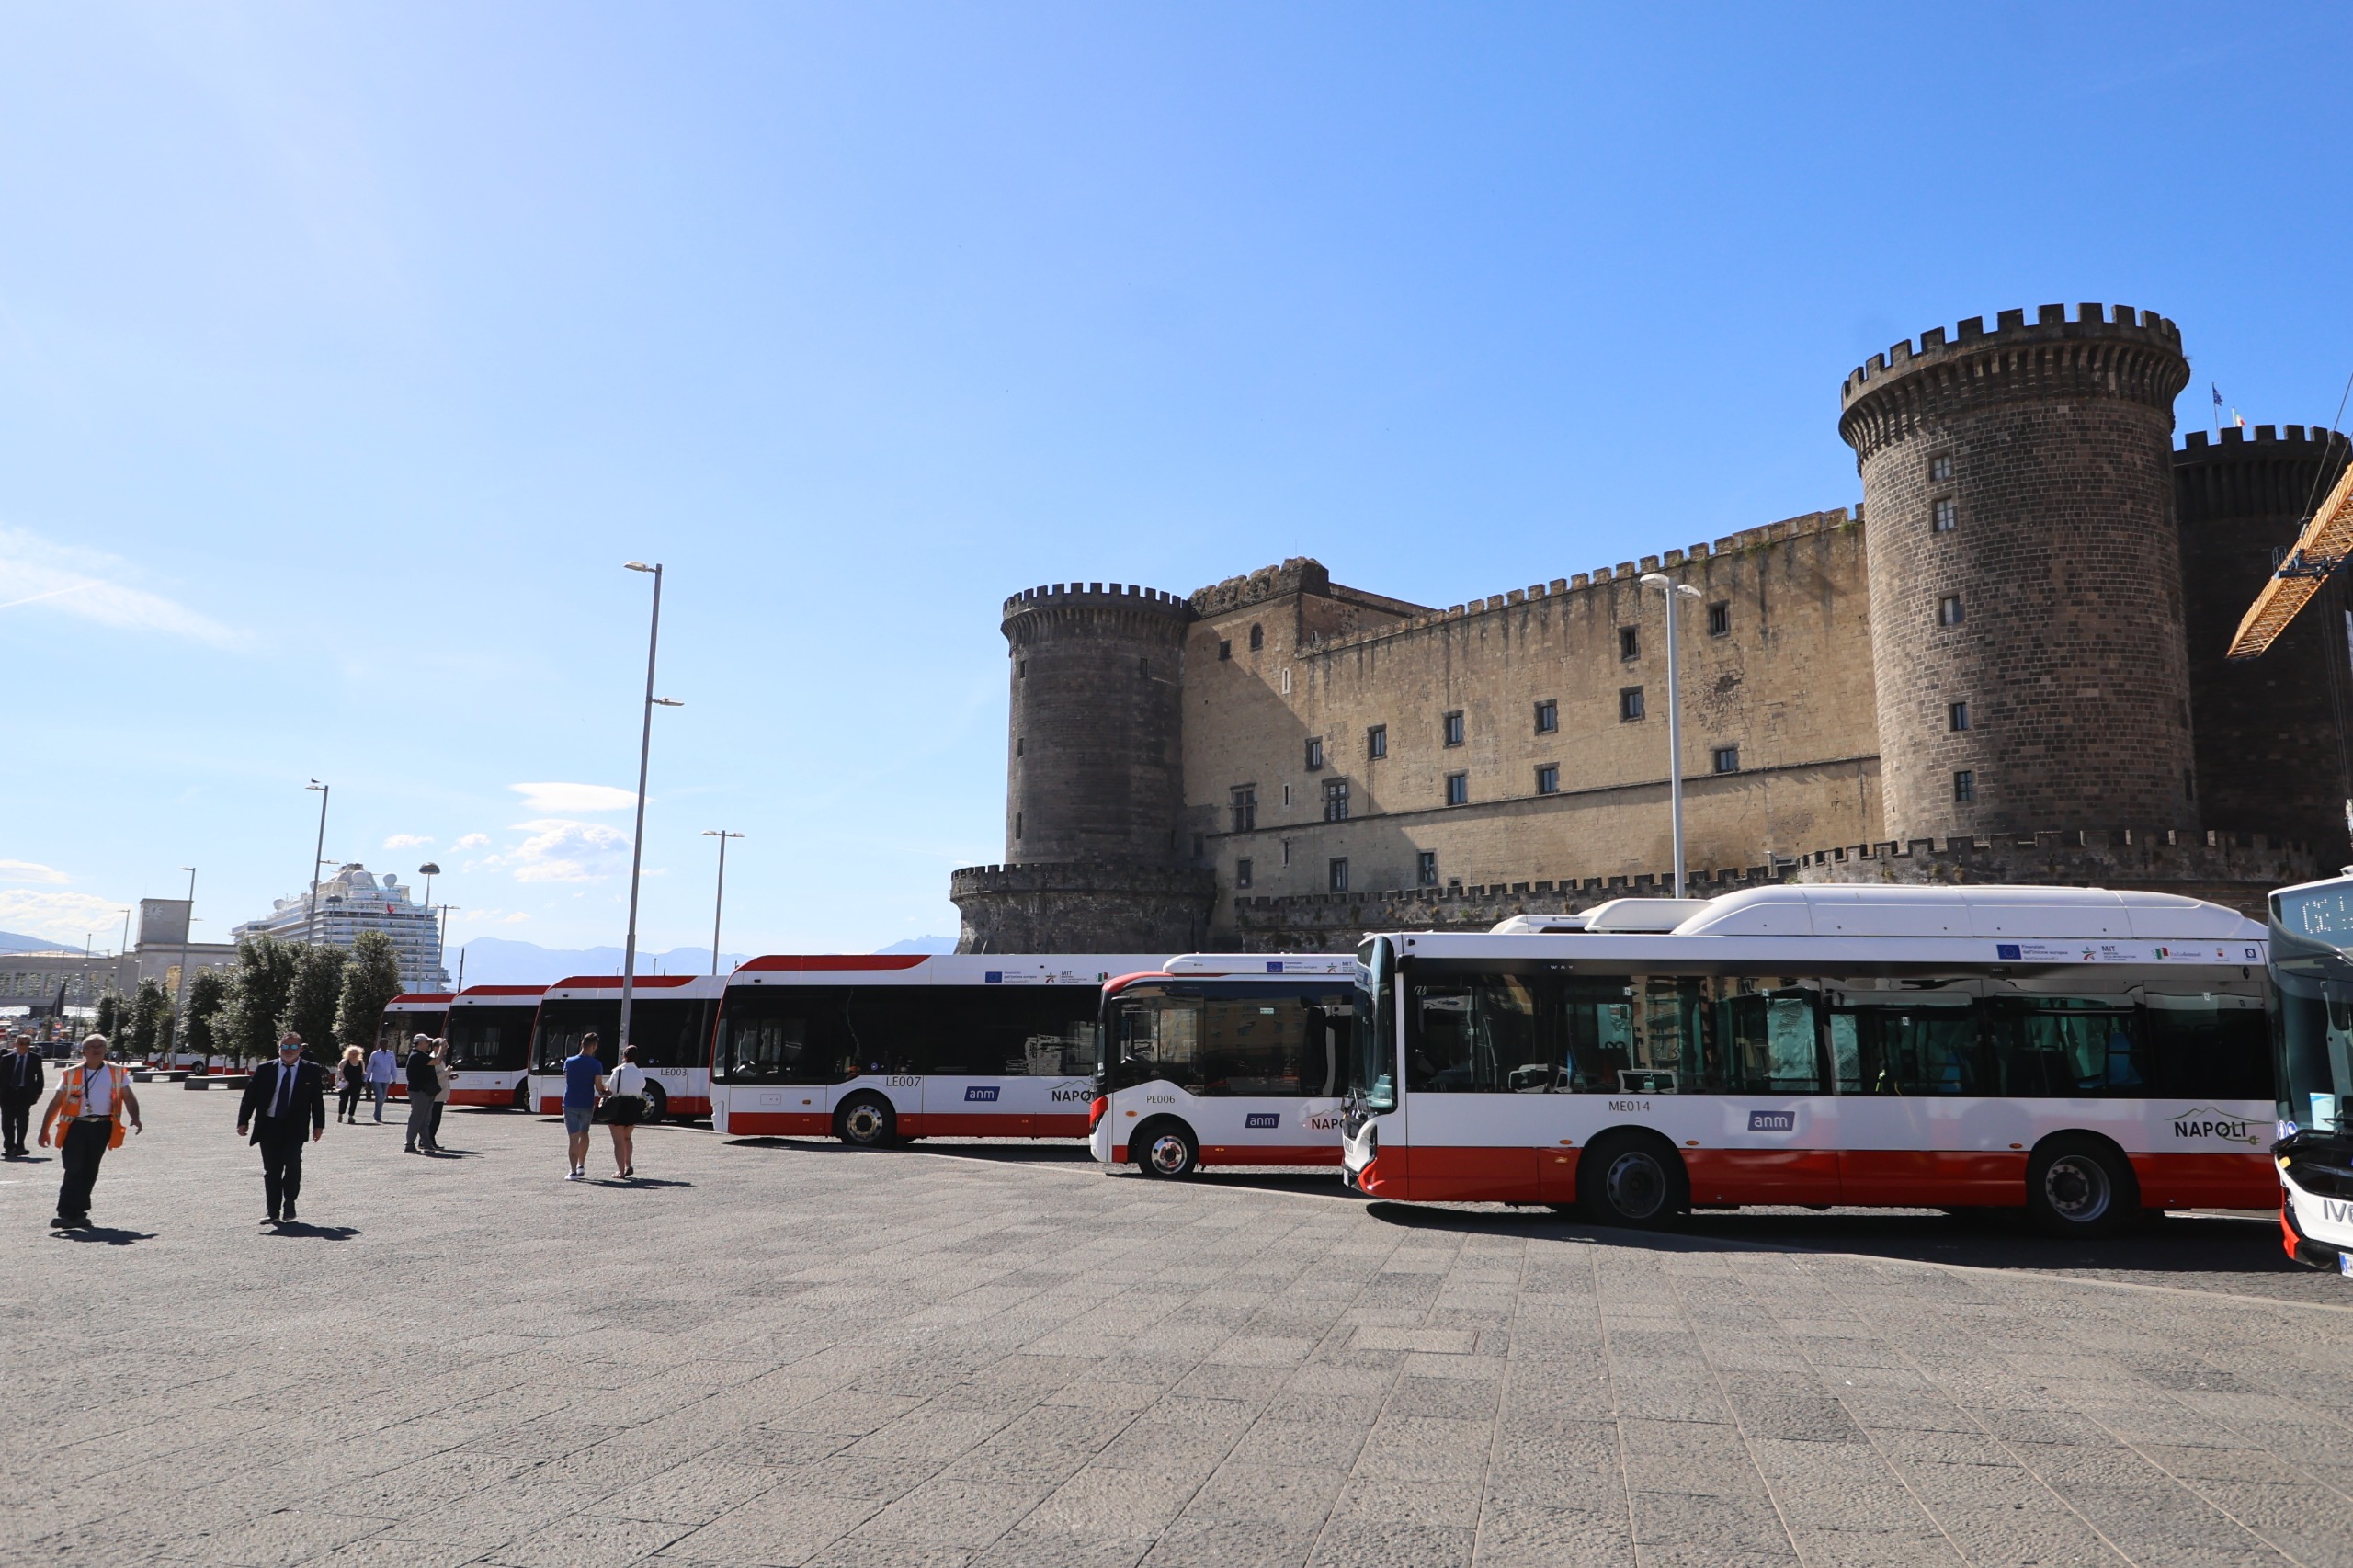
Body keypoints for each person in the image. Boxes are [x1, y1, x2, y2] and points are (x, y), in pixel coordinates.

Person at [37, 1033, 142, 1229]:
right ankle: (66, 1212)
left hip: (102, 1127)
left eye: (100, 1046)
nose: (96, 1049)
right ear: (83, 1051)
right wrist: (44, 1129)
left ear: (105, 1050)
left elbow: (128, 1096)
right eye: (92, 1046)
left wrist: (135, 1117)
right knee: (74, 1168)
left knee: (90, 1169)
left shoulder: (116, 1072)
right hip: (76, 1126)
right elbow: (56, 1102)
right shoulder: (71, 1073)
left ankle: (80, 1211)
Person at [238, 1033, 327, 1224]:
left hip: (295, 1126)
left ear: (300, 1050)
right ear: (279, 1048)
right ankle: (272, 1211)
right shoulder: (264, 1069)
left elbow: (317, 1100)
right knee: (272, 1170)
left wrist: (319, 1125)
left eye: (294, 1047)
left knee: (293, 1166)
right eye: (285, 1047)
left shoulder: (310, 1070)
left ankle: (290, 1202)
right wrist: (243, 1121)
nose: (289, 1051)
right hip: (269, 1125)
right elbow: (250, 1097)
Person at [561, 1032, 606, 1182]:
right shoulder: (596, 1064)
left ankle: (573, 1172)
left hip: (570, 1102)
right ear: (593, 1046)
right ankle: (581, 1165)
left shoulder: (569, 1062)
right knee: (584, 1133)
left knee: (573, 1138)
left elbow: (568, 1080)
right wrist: (607, 1091)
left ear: (581, 1044)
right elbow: (599, 1087)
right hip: (587, 1103)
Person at [604, 1042, 649, 1179]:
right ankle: (628, 1164)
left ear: (624, 1056)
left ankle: (620, 1172)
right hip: (633, 1106)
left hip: (619, 1105)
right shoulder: (640, 1072)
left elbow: (611, 1088)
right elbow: (642, 1086)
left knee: (617, 1141)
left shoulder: (618, 1071)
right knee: (627, 1137)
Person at [2, 1030, 45, 1158]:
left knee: (22, 1120)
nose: (24, 1046)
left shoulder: (35, 1058)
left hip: (24, 1093)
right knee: (7, 1121)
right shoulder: (6, 1059)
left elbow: (40, 1077)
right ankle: (9, 1147)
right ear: (15, 1044)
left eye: (27, 1043)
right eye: (21, 1043)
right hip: (8, 1093)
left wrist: (38, 1093)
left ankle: (20, 1146)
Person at [404, 1033, 438, 1153]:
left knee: (424, 1119)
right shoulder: (417, 1056)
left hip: (425, 1091)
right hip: (419, 1091)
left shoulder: (421, 1055)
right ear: (420, 1043)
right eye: (427, 1042)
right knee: (417, 1118)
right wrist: (440, 1049)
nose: (428, 1044)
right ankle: (409, 1144)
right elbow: (437, 1061)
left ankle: (427, 1144)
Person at [428, 1038, 454, 1147]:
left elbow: (441, 1075)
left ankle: (430, 1140)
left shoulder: (439, 1059)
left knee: (436, 1119)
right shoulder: (433, 1058)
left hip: (440, 1094)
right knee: (433, 1120)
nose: (446, 1049)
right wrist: (446, 1071)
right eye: (444, 1046)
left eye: (446, 1046)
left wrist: (449, 1075)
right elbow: (434, 1076)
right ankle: (427, 1140)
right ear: (436, 1047)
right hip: (436, 1094)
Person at [365, 1039, 398, 1122]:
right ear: (380, 1045)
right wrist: (365, 1078)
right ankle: (377, 1116)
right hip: (376, 1079)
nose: (385, 1046)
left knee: (383, 1098)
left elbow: (393, 1067)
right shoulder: (375, 1055)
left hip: (386, 1079)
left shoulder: (390, 1054)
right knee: (379, 1096)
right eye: (383, 1044)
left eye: (386, 1044)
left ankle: (376, 1112)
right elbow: (370, 1067)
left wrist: (394, 1079)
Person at [335, 1046, 366, 1124]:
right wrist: (344, 1079)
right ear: (348, 1054)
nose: (354, 1055)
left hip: (357, 1084)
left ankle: (351, 1116)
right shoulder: (344, 1061)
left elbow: (363, 1072)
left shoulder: (361, 1062)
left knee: (354, 1100)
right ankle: (340, 1114)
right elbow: (340, 1071)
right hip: (346, 1083)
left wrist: (364, 1082)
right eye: (352, 1054)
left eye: (356, 1054)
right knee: (343, 1100)